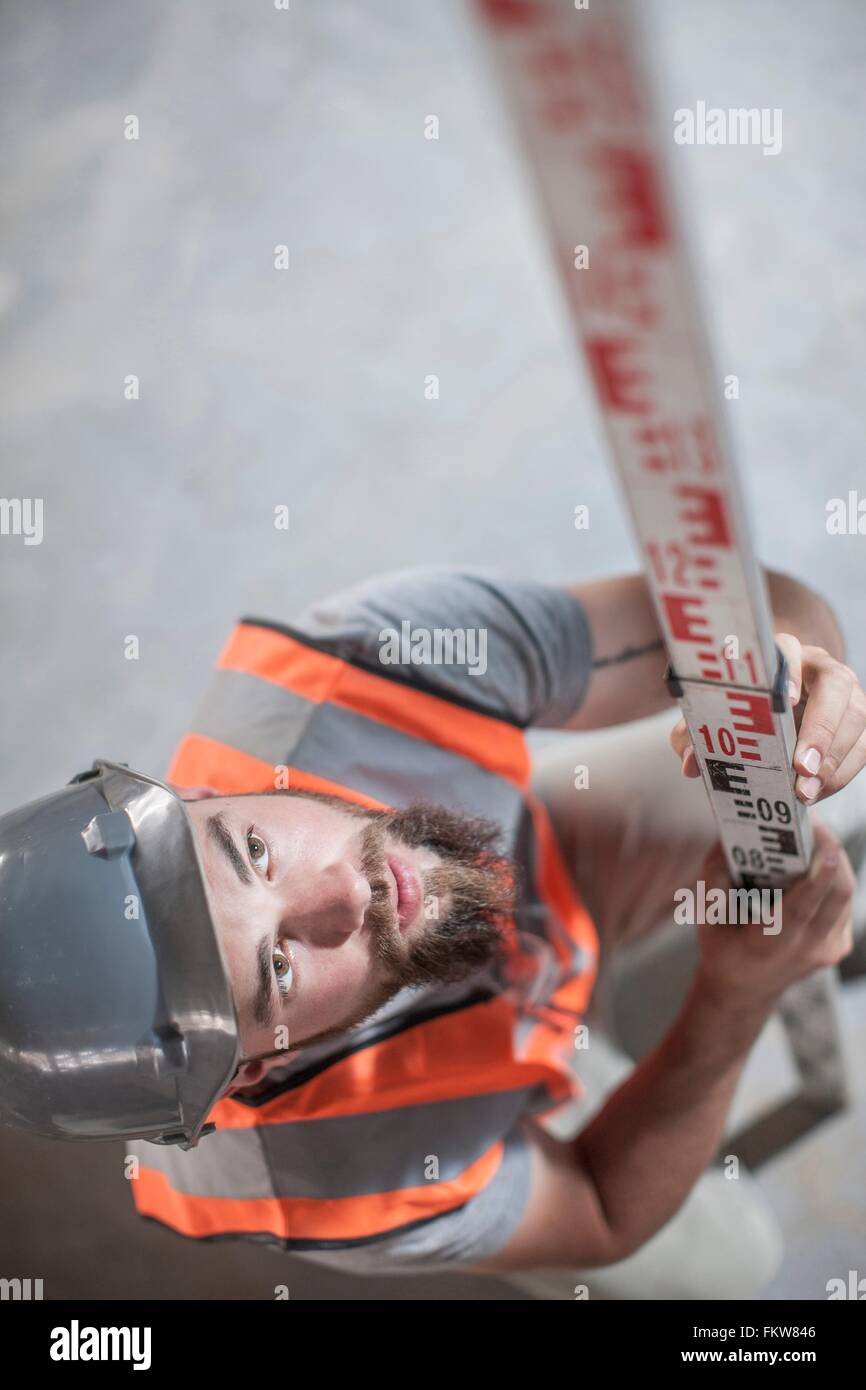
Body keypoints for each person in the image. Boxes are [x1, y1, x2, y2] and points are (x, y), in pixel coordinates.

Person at [1, 564, 862, 1297]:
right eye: (279, 969)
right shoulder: (317, 1181)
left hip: (542, 858)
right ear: (257, 1067)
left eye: (256, 853)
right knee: (739, 1264)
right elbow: (601, 1209)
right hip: (475, 1100)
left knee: (759, 787)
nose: (349, 890)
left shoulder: (358, 668)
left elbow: (756, 601)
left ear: (195, 799)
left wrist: (788, 673)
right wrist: (732, 1001)